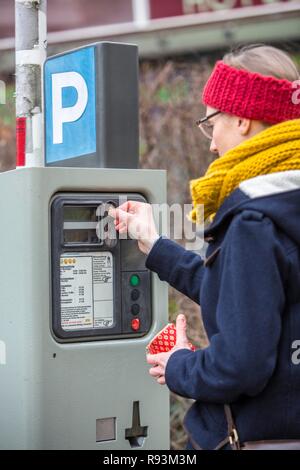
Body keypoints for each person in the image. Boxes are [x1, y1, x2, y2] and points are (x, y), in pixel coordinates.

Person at [109, 44, 300, 450]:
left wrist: (178, 364)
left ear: (243, 120)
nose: (212, 143)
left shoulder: (254, 220)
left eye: (211, 122)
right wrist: (155, 245)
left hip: (257, 437)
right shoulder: (285, 207)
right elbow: (247, 295)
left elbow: (240, 367)